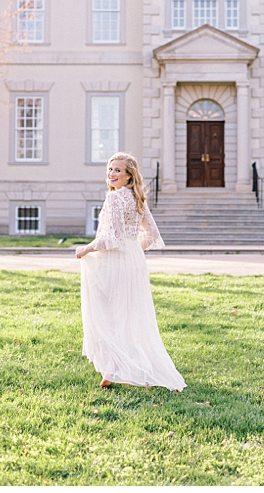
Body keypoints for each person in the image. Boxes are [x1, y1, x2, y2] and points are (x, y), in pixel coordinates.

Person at [75, 152, 186, 392]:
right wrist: (133, 249)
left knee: (109, 314)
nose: (112, 174)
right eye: (110, 169)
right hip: (132, 261)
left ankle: (114, 369)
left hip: (115, 261)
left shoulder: (115, 199)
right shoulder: (137, 200)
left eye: (118, 170)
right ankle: (113, 370)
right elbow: (151, 235)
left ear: (128, 176)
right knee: (127, 314)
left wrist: (86, 248)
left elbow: (110, 238)